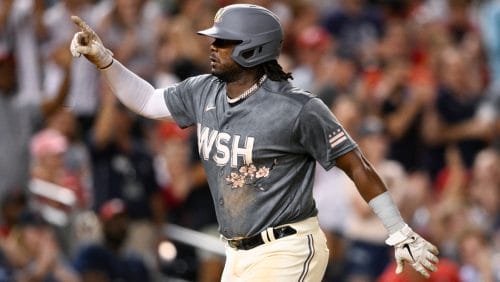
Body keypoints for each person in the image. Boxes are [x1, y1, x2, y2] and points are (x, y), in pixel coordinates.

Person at [69, 4, 439, 281]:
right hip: (237, 254)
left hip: (289, 248)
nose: (212, 46)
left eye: (224, 41)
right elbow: (148, 100)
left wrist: (399, 229)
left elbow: (357, 165)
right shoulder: (204, 90)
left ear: (253, 49)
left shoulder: (299, 108)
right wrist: (105, 59)